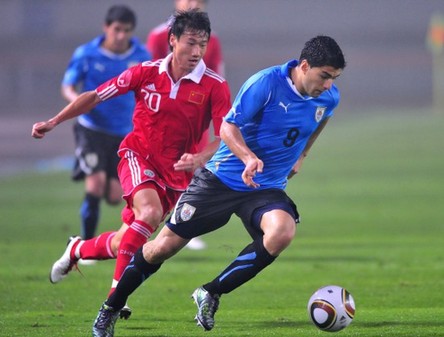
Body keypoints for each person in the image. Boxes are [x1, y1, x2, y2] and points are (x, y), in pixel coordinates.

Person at [89, 35, 346, 337]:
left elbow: (320, 120)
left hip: (265, 187)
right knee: (162, 248)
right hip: (221, 180)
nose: (329, 84)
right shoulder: (264, 84)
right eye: (324, 76)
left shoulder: (329, 97)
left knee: (282, 232)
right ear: (304, 66)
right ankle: (110, 308)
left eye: (334, 78)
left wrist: (302, 154)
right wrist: (248, 158)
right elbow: (227, 127)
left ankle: (211, 292)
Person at [31, 8, 231, 326]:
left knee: (128, 239)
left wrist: (200, 157)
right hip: (138, 157)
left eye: (202, 44)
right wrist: (54, 121)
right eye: (190, 43)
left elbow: (225, 136)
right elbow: (95, 96)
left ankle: (78, 248)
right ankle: (114, 300)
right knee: (149, 215)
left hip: (178, 175)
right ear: (172, 40)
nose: (196, 52)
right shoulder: (145, 73)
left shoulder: (214, 86)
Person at [61, 5, 151, 240]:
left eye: (127, 31)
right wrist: (77, 101)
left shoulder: (142, 56)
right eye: (117, 29)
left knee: (114, 196)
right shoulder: (86, 53)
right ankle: (84, 246)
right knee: (95, 185)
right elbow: (68, 86)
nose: (121, 36)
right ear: (106, 28)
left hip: (124, 133)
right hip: (91, 129)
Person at [147, 0, 225, 250]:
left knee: (194, 166)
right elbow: (149, 72)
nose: (193, 3)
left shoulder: (212, 41)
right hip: (161, 115)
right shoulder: (159, 35)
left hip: (196, 112)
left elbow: (216, 73)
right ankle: (145, 223)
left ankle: (181, 225)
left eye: (199, 1)